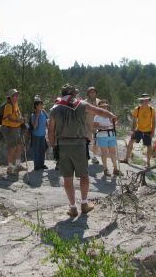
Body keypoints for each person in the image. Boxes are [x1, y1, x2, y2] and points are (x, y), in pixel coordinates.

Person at [48, 83, 117, 217]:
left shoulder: (55, 109)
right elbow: (100, 111)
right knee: (84, 175)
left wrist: (54, 146)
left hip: (63, 145)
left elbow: (51, 131)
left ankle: (73, 207)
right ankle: (84, 204)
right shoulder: (82, 104)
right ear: (73, 93)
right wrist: (111, 115)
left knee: (67, 178)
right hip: (79, 144)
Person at [121, 93, 156, 168]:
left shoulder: (151, 109)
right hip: (139, 129)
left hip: (148, 130)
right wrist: (133, 130)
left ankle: (148, 163)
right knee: (131, 142)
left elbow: (153, 121)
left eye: (147, 100)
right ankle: (126, 159)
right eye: (144, 100)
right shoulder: (137, 109)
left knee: (149, 146)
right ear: (142, 101)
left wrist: (153, 132)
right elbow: (134, 120)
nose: (146, 101)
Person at [2, 89, 27, 174]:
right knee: (12, 148)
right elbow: (9, 117)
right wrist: (19, 121)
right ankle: (9, 168)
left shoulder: (15, 104)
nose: (16, 97)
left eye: (17, 95)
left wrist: (22, 119)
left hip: (16, 128)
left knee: (19, 146)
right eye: (14, 95)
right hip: (10, 128)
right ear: (10, 97)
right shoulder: (8, 106)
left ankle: (17, 165)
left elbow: (17, 115)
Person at [94, 100, 121, 177]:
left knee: (113, 152)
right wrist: (103, 127)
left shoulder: (110, 114)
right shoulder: (97, 116)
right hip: (102, 135)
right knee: (104, 153)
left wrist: (114, 122)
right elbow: (94, 126)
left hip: (111, 135)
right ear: (99, 107)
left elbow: (114, 122)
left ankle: (115, 169)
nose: (104, 107)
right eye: (102, 106)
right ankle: (105, 169)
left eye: (105, 106)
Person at [30, 96, 49, 170]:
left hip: (43, 135)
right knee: (36, 151)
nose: (41, 106)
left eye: (42, 104)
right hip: (36, 135)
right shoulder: (33, 115)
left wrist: (48, 131)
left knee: (42, 150)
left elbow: (47, 121)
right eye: (40, 104)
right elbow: (34, 126)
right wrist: (37, 116)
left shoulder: (44, 112)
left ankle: (42, 164)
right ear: (36, 106)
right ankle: (36, 166)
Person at [84, 86, 101, 165]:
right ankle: (85, 157)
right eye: (90, 92)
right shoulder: (84, 102)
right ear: (88, 93)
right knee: (86, 141)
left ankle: (94, 157)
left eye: (94, 92)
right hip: (87, 124)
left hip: (97, 124)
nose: (92, 93)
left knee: (96, 141)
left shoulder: (99, 101)